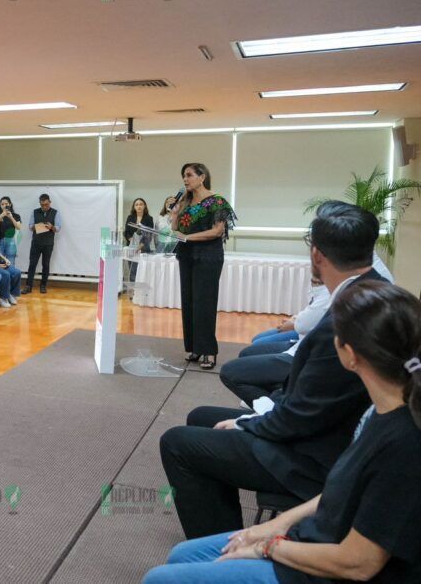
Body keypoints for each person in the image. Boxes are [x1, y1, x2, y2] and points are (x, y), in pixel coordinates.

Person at [144, 280, 421, 584]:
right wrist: (273, 527)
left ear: (349, 354)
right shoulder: (379, 412)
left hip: (325, 568)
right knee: (181, 556)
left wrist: (270, 547)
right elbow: (340, 491)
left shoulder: (403, 442)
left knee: (159, 579)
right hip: (314, 536)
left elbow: (358, 563)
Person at [159, 202, 384, 540]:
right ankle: (222, 530)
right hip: (328, 432)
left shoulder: (346, 319)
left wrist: (250, 422)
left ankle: (226, 555)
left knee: (176, 443)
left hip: (313, 457)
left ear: (317, 254)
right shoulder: (372, 290)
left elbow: (303, 416)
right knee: (200, 416)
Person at [220, 275, 330, 408]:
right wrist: (293, 319)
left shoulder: (334, 292)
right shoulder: (324, 287)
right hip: (298, 342)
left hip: (301, 348)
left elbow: (304, 324)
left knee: (234, 368)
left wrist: (292, 323)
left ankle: (270, 405)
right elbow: (309, 311)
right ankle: (269, 395)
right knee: (252, 347)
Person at [169, 163, 237, 370]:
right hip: (187, 256)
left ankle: (209, 350)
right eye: (183, 176)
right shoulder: (186, 202)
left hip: (208, 257)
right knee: (189, 301)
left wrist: (188, 237)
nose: (185, 179)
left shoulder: (217, 202)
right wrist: (175, 213)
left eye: (189, 175)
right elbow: (175, 229)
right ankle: (194, 347)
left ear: (202, 176)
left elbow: (217, 232)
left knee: (204, 303)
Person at [23, 194, 61, 295]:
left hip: (48, 244)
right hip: (36, 243)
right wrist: (37, 227)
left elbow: (58, 228)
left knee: (46, 264)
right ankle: (28, 286)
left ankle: (43, 285)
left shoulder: (55, 213)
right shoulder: (35, 212)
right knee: (32, 264)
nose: (44, 207)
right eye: (42, 205)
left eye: (46, 204)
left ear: (50, 202)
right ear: (40, 203)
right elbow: (30, 226)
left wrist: (52, 227)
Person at [124, 197, 155, 282]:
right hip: (131, 247)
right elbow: (126, 232)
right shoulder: (130, 217)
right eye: (136, 204)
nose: (139, 206)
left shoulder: (149, 218)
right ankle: (133, 292)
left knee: (142, 271)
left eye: (141, 204)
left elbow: (149, 235)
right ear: (134, 207)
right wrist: (131, 241)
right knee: (132, 271)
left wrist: (139, 246)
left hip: (143, 248)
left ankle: (142, 293)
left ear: (144, 206)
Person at [0, 196, 23, 267]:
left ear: (10, 204)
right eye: (2, 204)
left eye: (6, 204)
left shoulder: (16, 215)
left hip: (10, 241)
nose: (4, 205)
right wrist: (1, 216)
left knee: (11, 263)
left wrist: (11, 217)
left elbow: (18, 227)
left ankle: (12, 277)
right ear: (0, 205)